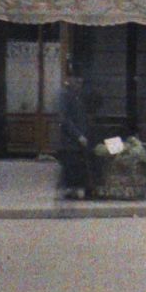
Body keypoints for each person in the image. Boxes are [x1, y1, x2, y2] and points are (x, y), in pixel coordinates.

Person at [53, 69, 92, 200]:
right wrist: (78, 135)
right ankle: (67, 190)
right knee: (70, 164)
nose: (78, 84)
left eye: (80, 82)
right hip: (68, 140)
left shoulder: (77, 94)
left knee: (74, 165)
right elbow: (64, 119)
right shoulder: (64, 95)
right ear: (69, 79)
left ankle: (70, 190)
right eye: (76, 81)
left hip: (76, 139)